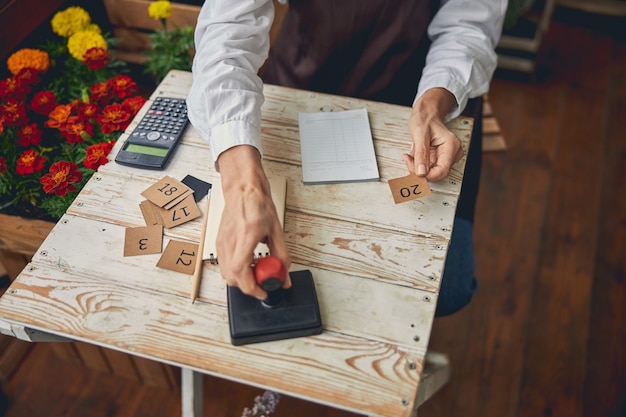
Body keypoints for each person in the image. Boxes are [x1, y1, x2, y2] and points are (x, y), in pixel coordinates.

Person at [187, 0, 507, 315]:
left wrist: (433, 103)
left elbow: (468, 24)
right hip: (307, 81)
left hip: (419, 96)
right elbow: (226, 33)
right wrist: (244, 185)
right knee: (319, 261)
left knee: (448, 289)